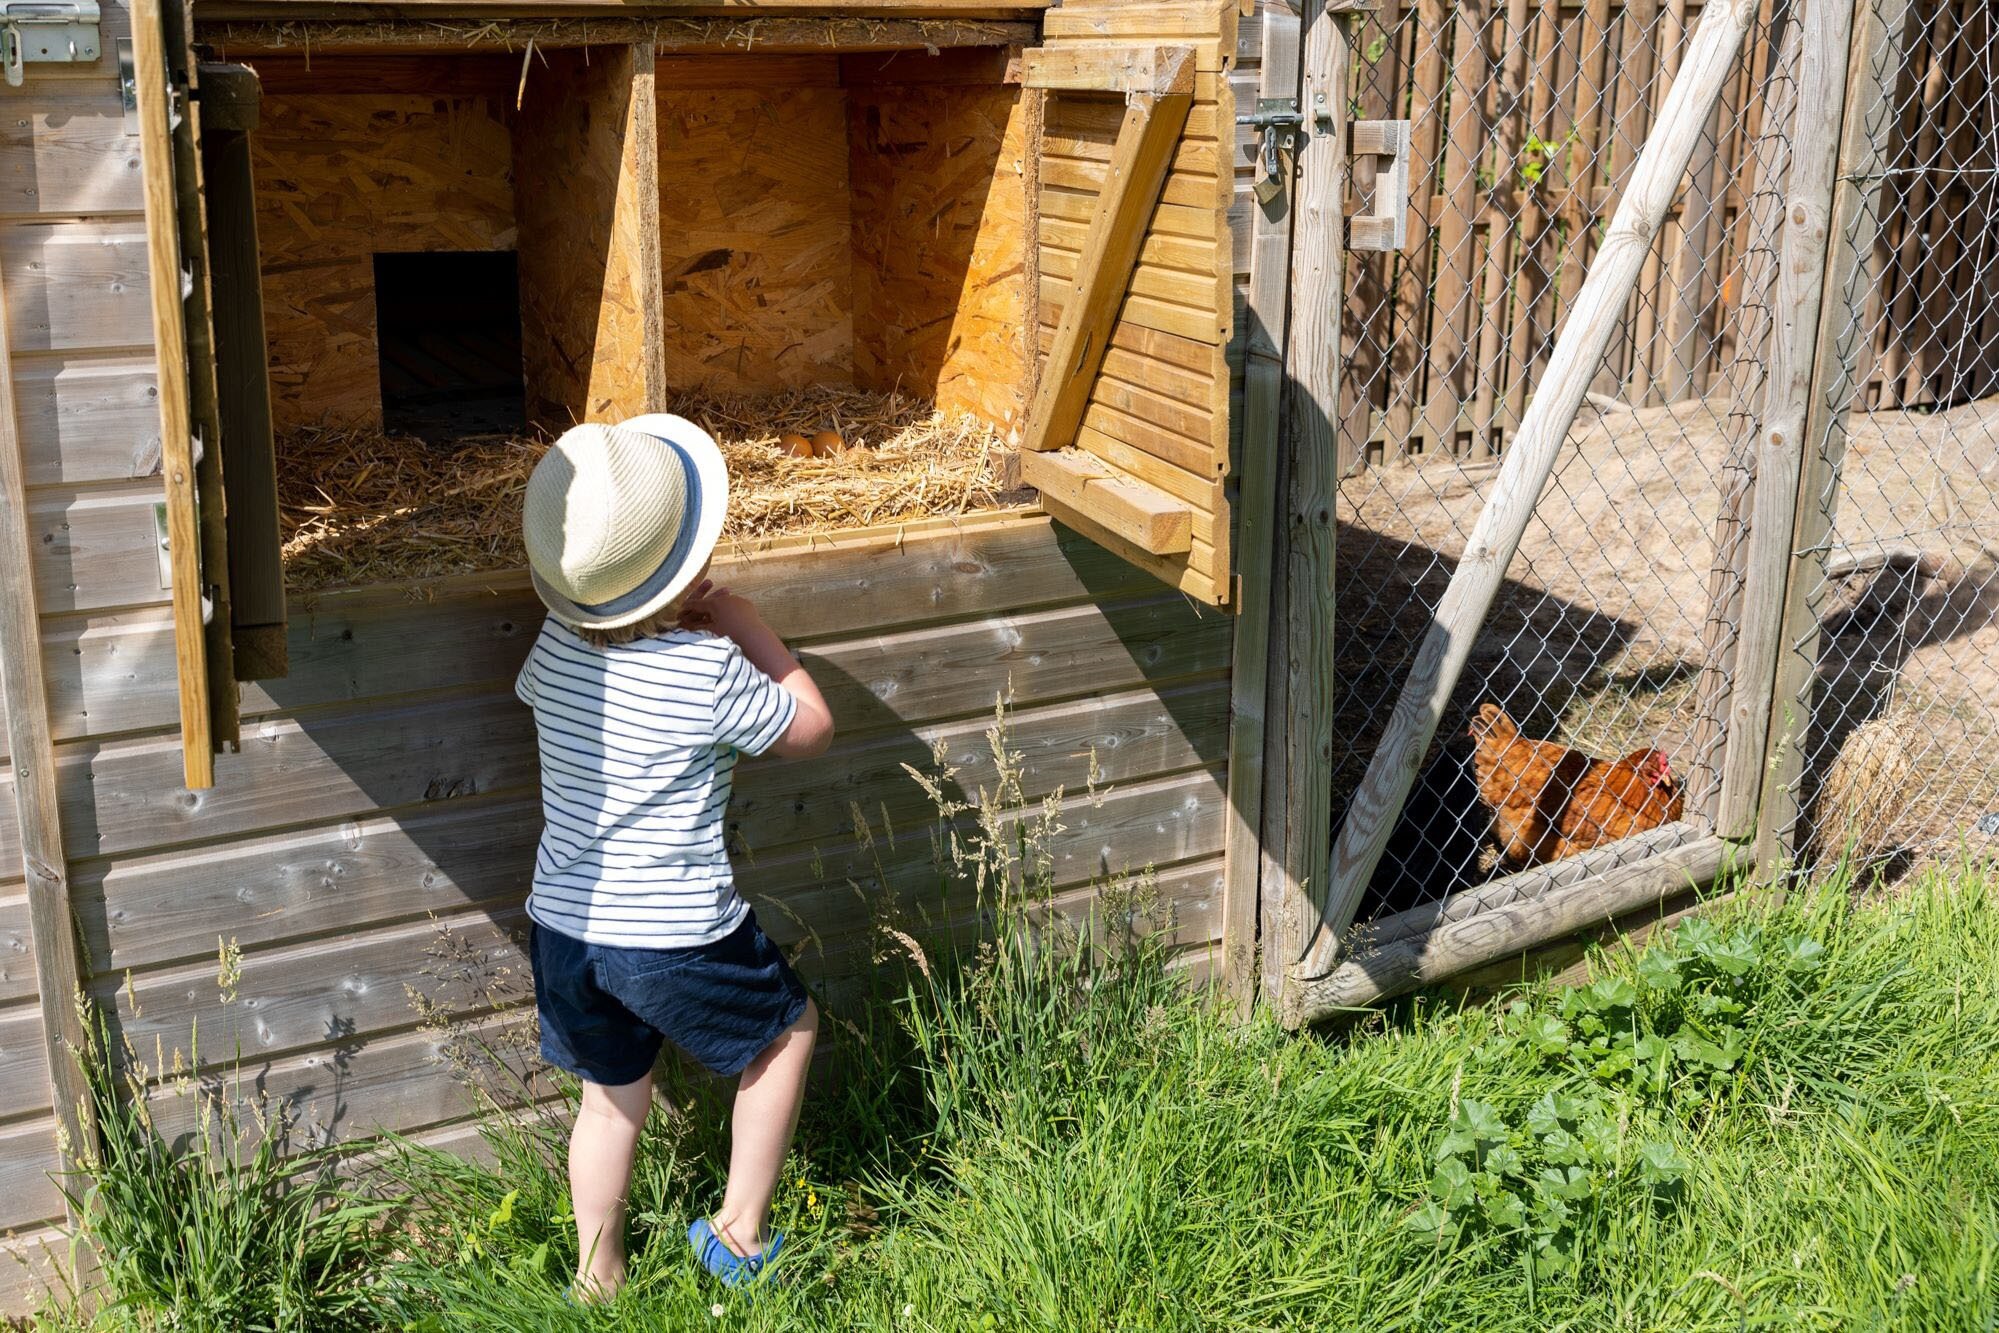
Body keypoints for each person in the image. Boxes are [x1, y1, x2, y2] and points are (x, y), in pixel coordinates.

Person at [513, 415, 834, 1301]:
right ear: (687, 566)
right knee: (785, 1032)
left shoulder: (551, 646)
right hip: (671, 930)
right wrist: (751, 627)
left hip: (565, 927)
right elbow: (810, 727)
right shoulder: (707, 669)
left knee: (610, 1097)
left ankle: (597, 1277)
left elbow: (548, 690)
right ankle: (738, 1231)